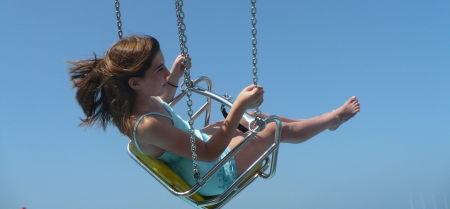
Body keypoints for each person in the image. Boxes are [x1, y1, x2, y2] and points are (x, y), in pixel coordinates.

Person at [68, 35, 360, 196]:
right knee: (270, 130)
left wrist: (174, 77)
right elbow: (206, 153)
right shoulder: (146, 126)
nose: (166, 72)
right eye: (160, 70)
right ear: (135, 82)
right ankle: (333, 118)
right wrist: (237, 110)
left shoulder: (139, 101)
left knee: (257, 117)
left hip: (196, 147)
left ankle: (324, 122)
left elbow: (163, 100)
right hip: (209, 174)